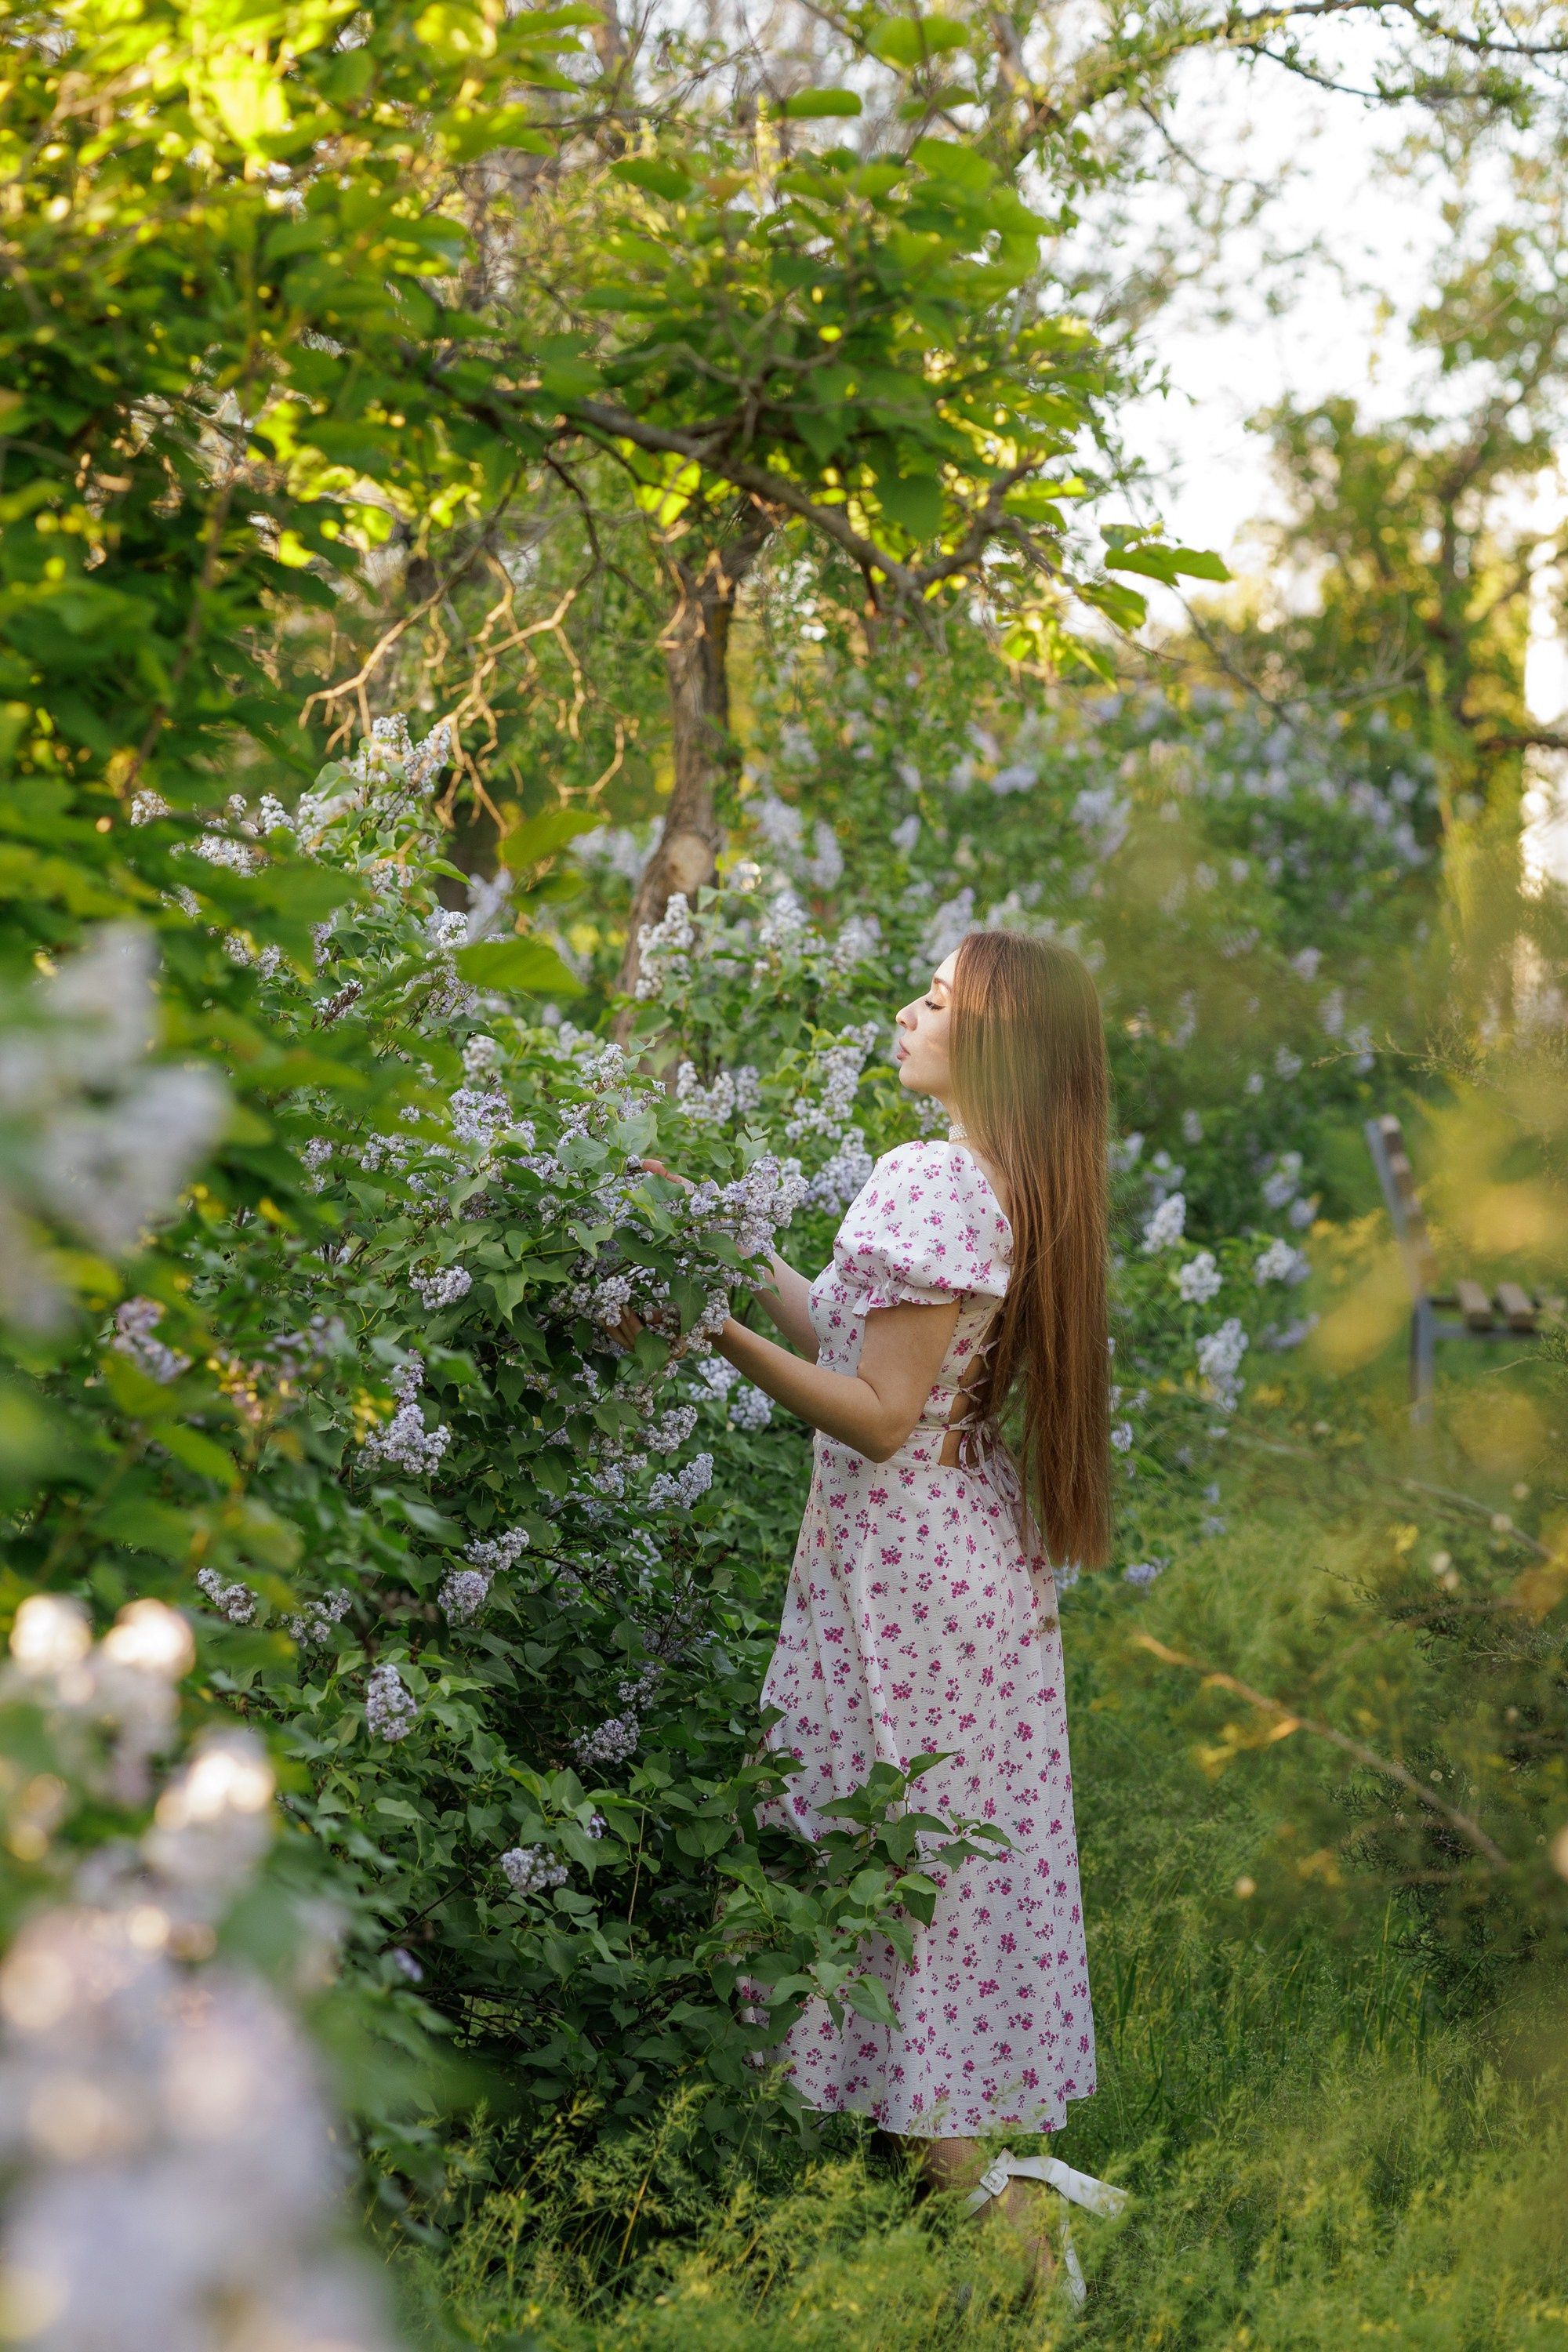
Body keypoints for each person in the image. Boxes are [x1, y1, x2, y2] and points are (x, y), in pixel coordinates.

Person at [687, 928, 1119, 2287]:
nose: (909, 1010)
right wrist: (736, 1257)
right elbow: (876, 1346)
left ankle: (1003, 2232)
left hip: (909, 1577)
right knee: (947, 1877)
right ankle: (1004, 2172)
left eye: (938, 1000)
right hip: (965, 1560)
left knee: (893, 1882)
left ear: (992, 1040)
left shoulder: (930, 1176)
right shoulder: (1009, 1183)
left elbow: (874, 1413)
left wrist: (709, 1328)